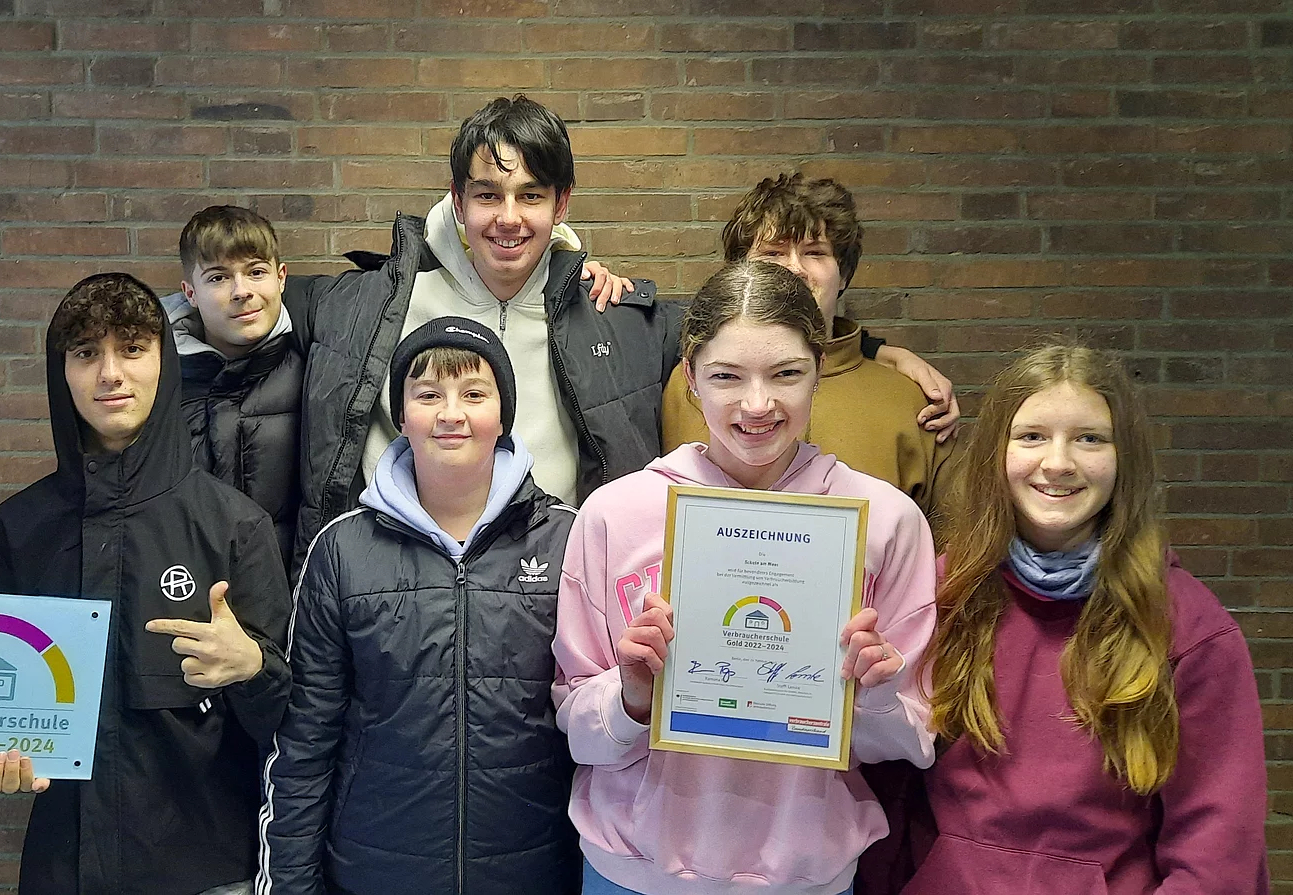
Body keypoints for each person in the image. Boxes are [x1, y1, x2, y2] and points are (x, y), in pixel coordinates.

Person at [553, 262, 937, 895]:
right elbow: (575, 727)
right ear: (691, 382)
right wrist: (634, 695)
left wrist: (871, 696)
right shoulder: (615, 515)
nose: (757, 404)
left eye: (786, 374)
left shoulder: (885, 522)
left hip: (805, 874)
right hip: (633, 870)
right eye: (726, 376)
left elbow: (914, 739)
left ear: (819, 373)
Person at [905, 344, 1268, 894]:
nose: (1057, 462)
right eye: (1031, 436)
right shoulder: (940, 595)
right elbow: (890, 791)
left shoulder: (1188, 628)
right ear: (995, 455)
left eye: (1089, 438)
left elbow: (1218, 847)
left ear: (1125, 458)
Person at [0, 273, 293, 895]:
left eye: (132, 348)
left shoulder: (233, 526)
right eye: (85, 353)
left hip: (207, 866)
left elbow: (290, 721)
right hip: (62, 867)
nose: (110, 374)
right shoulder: (21, 528)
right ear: (59, 373)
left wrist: (253, 667)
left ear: (165, 363)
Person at [285, 95, 679, 570]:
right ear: (458, 199)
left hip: (549, 586)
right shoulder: (376, 304)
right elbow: (241, 303)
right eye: (488, 195)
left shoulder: (606, 312)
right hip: (398, 587)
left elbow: (737, 339)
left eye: (530, 196)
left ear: (562, 203)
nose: (508, 218)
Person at [259, 317, 579, 895]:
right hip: (375, 870)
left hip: (533, 870)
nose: (451, 412)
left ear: (501, 415)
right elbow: (305, 739)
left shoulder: (567, 540)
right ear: (401, 416)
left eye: (474, 394)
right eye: (428, 394)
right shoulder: (342, 550)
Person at [662, 173, 957, 519]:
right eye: (773, 252)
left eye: (814, 253)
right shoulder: (685, 387)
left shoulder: (910, 396)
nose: (794, 268)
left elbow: (950, 543)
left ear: (843, 274)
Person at [167, 205, 304, 567]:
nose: (241, 291)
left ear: (281, 277)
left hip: (295, 596)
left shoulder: (318, 367)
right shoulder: (157, 380)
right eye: (218, 278)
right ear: (190, 292)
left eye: (256, 272)